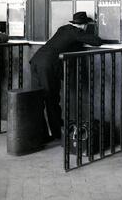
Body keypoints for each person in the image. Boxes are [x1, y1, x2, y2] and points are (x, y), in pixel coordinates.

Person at [30, 11, 102, 142]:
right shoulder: (76, 32)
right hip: (48, 66)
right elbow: (96, 41)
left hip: (36, 61)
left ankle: (41, 134)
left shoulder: (63, 28)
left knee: (38, 100)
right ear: (84, 25)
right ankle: (58, 133)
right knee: (51, 100)